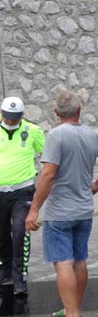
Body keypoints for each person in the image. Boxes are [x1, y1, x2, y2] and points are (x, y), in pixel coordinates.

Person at [25, 91, 98, 317]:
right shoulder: (92, 134)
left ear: (56, 113)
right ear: (79, 111)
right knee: (79, 261)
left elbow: (48, 174)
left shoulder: (56, 136)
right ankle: (74, 309)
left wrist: (34, 210)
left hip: (60, 212)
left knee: (63, 263)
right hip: (83, 211)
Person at [0, 97, 45, 300]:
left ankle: (19, 276)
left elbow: (47, 154)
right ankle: (6, 270)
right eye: (8, 117)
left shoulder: (33, 131)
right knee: (2, 234)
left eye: (15, 118)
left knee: (20, 231)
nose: (11, 121)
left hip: (23, 191)